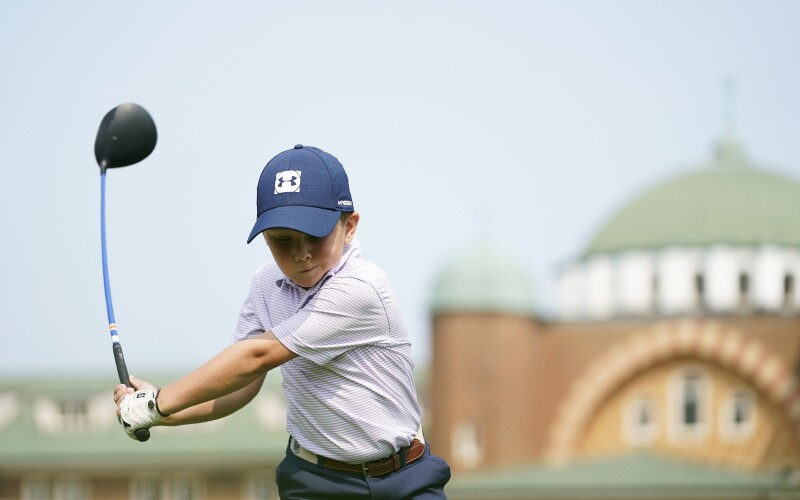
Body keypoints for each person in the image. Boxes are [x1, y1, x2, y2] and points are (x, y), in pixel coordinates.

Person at [114, 144, 451, 499]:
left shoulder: (362, 286)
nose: (301, 253)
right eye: (283, 240)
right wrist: (162, 413)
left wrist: (157, 402)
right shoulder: (265, 284)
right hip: (315, 483)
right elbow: (242, 382)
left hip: (404, 479)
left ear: (349, 226)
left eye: (315, 236)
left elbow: (256, 357)